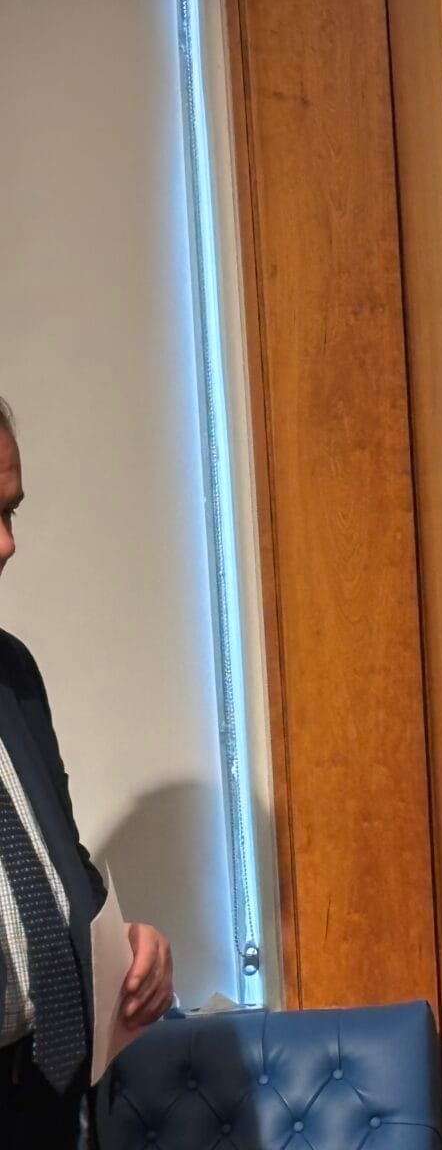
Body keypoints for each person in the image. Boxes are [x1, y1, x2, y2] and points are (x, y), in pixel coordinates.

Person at [0, 398, 174, 1146]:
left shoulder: (13, 674)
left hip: (49, 1116)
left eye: (11, 513)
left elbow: (57, 872)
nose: (7, 545)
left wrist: (126, 951)